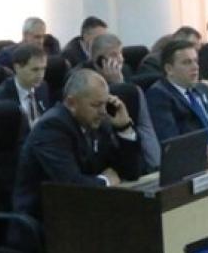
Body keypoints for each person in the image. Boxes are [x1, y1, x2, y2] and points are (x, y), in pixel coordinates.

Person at [12, 69, 141, 221]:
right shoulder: (52, 128)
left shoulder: (98, 122)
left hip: (84, 210)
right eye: (96, 105)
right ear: (71, 103)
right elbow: (72, 185)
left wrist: (124, 127)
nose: (103, 112)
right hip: (45, 220)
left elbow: (131, 172)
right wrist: (106, 181)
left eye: (105, 104)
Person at [146, 39, 208, 164]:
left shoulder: (202, 89)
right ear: (169, 69)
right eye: (187, 62)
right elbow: (172, 143)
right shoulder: (159, 95)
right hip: (197, 163)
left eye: (195, 61)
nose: (195, 67)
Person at [86, 33, 160, 171]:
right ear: (100, 60)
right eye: (114, 55)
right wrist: (116, 85)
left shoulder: (124, 70)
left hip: (132, 127)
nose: (120, 59)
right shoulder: (86, 78)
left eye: (120, 53)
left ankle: (155, 165)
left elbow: (130, 100)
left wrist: (119, 83)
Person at [0, 43, 50, 128]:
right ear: (17, 68)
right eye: (35, 70)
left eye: (43, 69)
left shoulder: (42, 87)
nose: (41, 75)